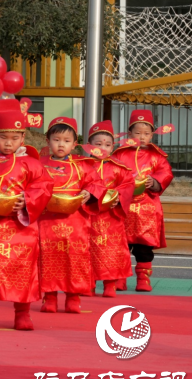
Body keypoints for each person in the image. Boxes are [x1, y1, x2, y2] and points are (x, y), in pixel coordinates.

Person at [0, 99, 53, 330]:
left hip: (21, 226)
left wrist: (25, 200)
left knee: (22, 268)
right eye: (4, 137)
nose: (9, 143)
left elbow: (44, 187)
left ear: (23, 137)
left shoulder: (31, 164)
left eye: (15, 138)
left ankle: (22, 313)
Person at [38, 117, 106, 313]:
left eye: (67, 141)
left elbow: (97, 183)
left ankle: (73, 297)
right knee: (47, 258)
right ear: (48, 140)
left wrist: (89, 192)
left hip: (75, 221)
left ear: (75, 144)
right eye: (57, 139)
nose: (61, 144)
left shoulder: (83, 165)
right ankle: (49, 297)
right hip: (46, 220)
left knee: (75, 258)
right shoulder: (39, 164)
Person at [111, 110, 174, 292]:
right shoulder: (120, 154)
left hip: (147, 208)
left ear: (152, 135)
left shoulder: (157, 156)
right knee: (121, 244)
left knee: (144, 246)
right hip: (123, 207)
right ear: (129, 134)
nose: (142, 137)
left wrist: (154, 182)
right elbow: (112, 172)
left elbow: (166, 173)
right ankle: (120, 278)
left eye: (146, 134)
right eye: (137, 133)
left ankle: (143, 278)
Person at [86, 121, 135, 297]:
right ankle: (88, 284)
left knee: (111, 251)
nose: (103, 148)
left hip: (111, 218)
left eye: (107, 144)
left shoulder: (119, 168)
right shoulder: (82, 165)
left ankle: (110, 284)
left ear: (113, 146)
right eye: (98, 144)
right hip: (88, 216)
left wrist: (118, 197)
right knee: (86, 249)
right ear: (89, 145)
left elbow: (129, 185)